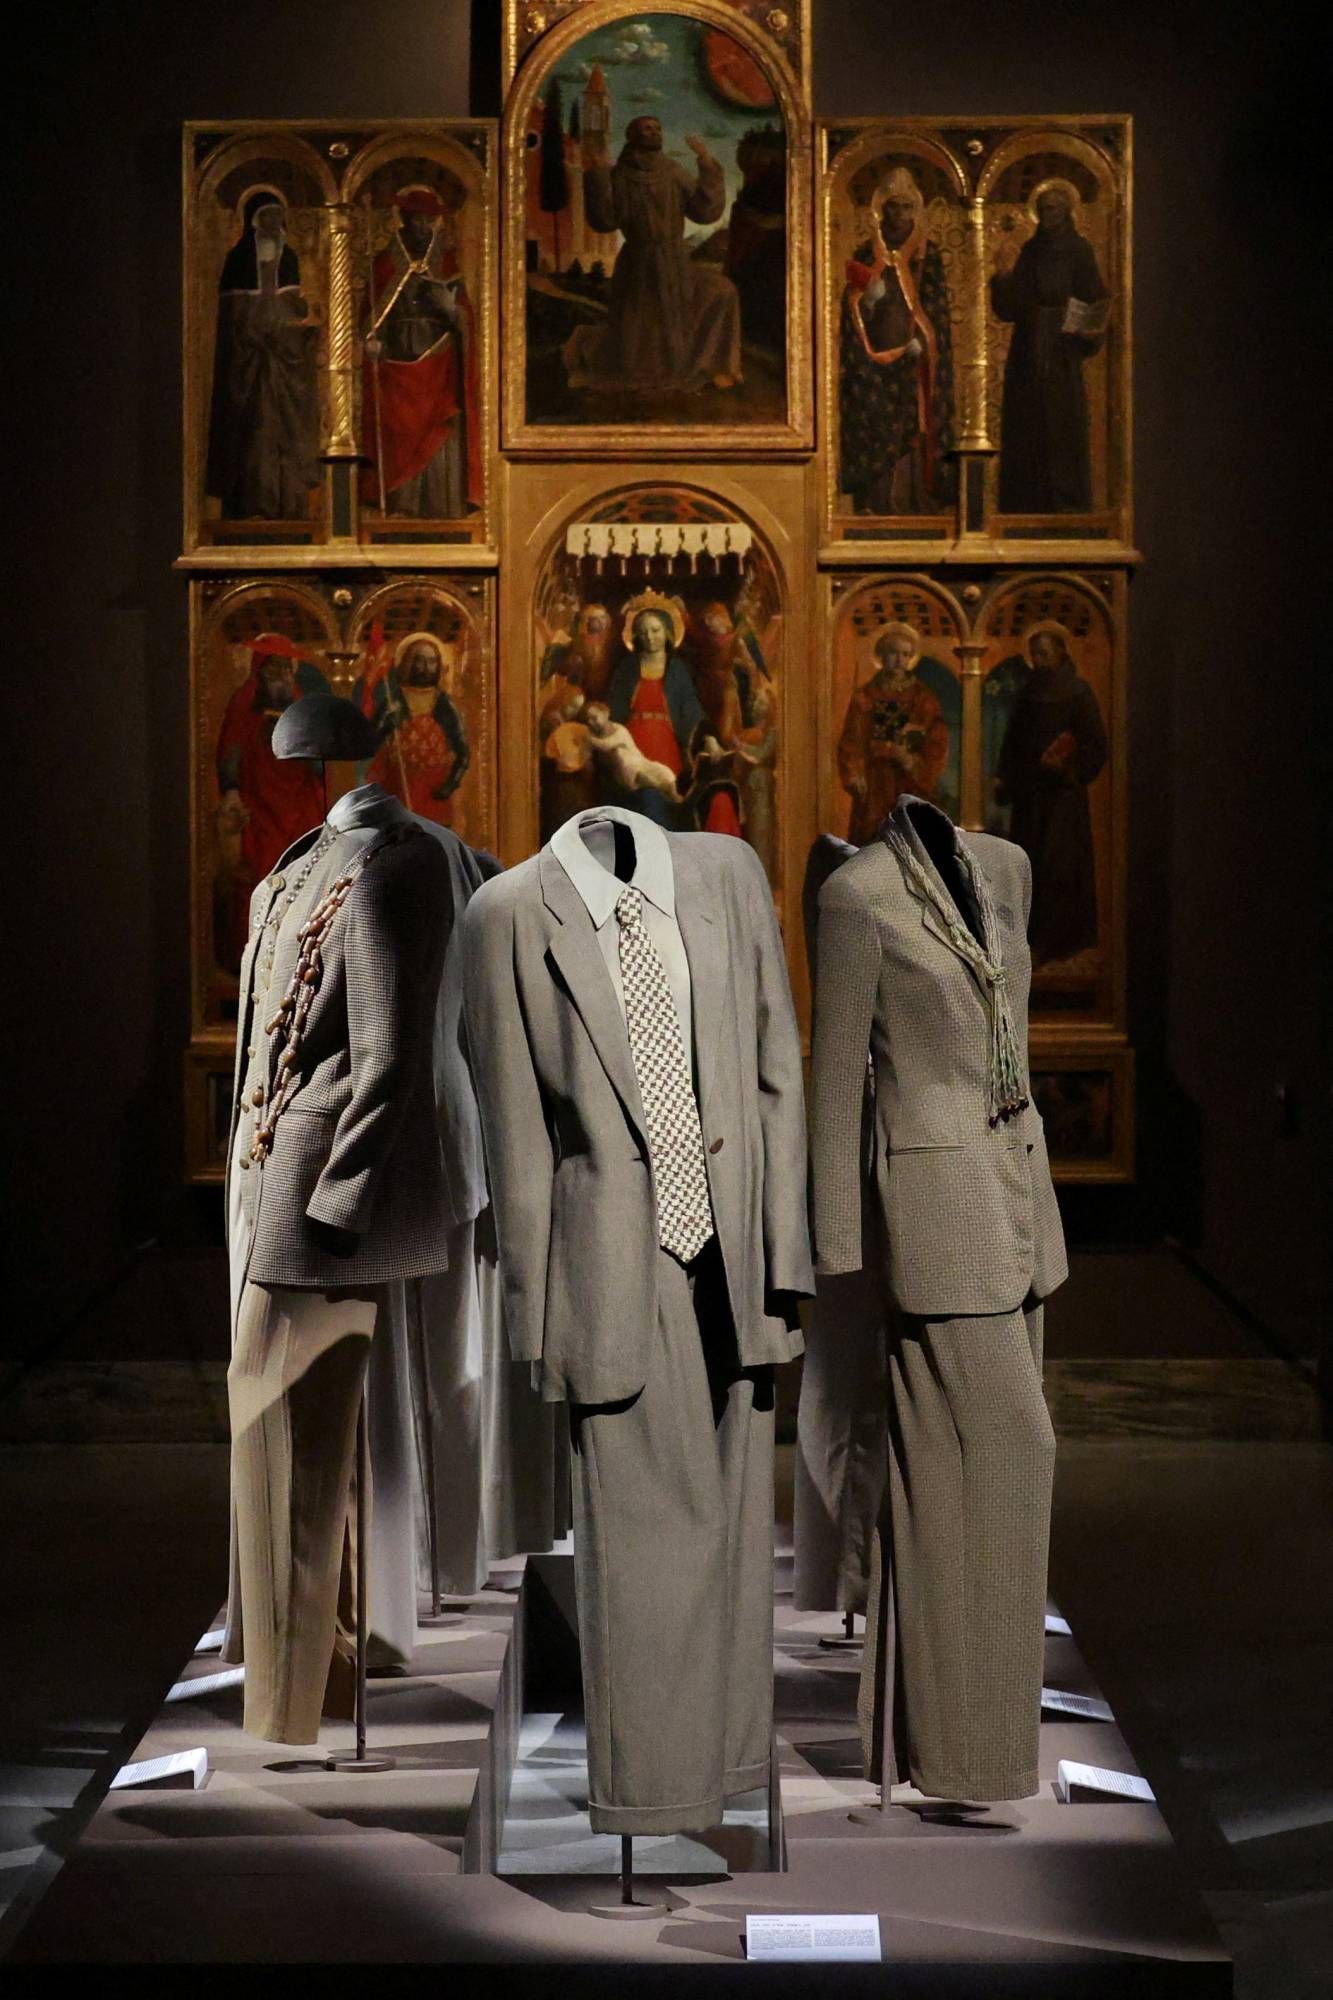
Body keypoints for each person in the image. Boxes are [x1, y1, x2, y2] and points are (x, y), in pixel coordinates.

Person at [564, 115, 742, 395]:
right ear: (633, 136)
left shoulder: (673, 171)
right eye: (647, 128)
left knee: (723, 292)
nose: (655, 132)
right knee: (640, 334)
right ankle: (615, 357)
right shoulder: (620, 175)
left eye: (658, 128)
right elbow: (604, 220)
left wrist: (706, 162)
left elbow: (704, 211)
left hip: (675, 261)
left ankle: (714, 364)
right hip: (637, 264)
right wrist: (598, 173)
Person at [839, 167, 955, 515]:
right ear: (882, 209)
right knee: (877, 424)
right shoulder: (866, 253)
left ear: (914, 210)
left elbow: (936, 308)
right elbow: (851, 308)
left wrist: (923, 341)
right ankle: (876, 504)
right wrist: (868, 300)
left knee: (915, 425)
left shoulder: (926, 255)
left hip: (915, 356)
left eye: (906, 207)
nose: (899, 215)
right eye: (893, 207)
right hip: (874, 363)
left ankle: (915, 504)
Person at [361, 185, 482, 519]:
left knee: (440, 433)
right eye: (417, 219)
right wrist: (371, 340)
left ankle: (441, 507)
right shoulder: (385, 263)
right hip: (396, 363)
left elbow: (465, 318)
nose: (424, 227)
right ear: (403, 219)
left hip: (439, 363)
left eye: (429, 220)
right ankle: (401, 505)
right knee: (399, 436)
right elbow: (369, 315)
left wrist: (450, 309)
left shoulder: (446, 262)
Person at [991, 181, 1110, 514]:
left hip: (1062, 350)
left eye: (1054, 209)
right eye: (1043, 209)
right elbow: (1009, 308)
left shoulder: (1079, 250)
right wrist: (1003, 277)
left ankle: (1066, 503)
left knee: (1061, 424)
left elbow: (1094, 298)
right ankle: (1026, 505)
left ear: (1067, 211)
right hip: (1028, 349)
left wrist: (1086, 329)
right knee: (1027, 423)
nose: (1048, 215)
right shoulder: (1030, 251)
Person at [214, 632, 329, 971]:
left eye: (285, 668)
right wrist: (232, 790)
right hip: (259, 808)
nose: (281, 675)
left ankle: (298, 961)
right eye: (273, 668)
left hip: (299, 807)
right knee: (258, 876)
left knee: (303, 878)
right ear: (259, 670)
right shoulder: (245, 703)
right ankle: (252, 962)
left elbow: (317, 761)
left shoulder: (300, 704)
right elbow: (231, 751)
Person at [995, 620, 1108, 963]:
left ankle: (1063, 941)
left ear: (1060, 653)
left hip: (1063, 800)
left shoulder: (1079, 693)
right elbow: (1013, 743)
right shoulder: (1027, 694)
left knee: (1060, 865)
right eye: (1034, 654)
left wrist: (1067, 766)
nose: (1038, 660)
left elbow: (1095, 745)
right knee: (1029, 865)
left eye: (1044, 653)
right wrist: (1007, 778)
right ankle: (1031, 942)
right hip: (1030, 796)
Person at [206, 192, 321, 521]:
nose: (274, 222)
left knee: (287, 429)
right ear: (255, 221)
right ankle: (252, 505)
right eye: (267, 216)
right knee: (254, 432)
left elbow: (293, 305)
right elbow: (233, 314)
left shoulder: (290, 258)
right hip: (250, 365)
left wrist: (300, 326)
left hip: (283, 361)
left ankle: (290, 506)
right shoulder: (238, 260)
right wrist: (257, 332)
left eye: (278, 215)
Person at [837, 622, 951, 844]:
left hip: (909, 780)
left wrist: (911, 761)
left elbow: (937, 741)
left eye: (905, 654)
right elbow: (851, 740)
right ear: (882, 656)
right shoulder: (865, 696)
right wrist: (855, 773)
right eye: (893, 653)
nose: (899, 660)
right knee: (873, 837)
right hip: (875, 781)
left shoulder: (923, 698)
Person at [603, 601, 705, 827]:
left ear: (667, 632)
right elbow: (614, 709)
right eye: (643, 632)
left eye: (655, 630)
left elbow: (691, 711)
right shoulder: (628, 668)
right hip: (632, 746)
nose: (649, 637)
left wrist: (707, 737)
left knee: (661, 795)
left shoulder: (677, 669)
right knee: (643, 796)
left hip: (665, 748)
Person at [358, 630, 470, 827]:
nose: (426, 667)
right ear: (409, 662)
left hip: (432, 788)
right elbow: (368, 744)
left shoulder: (443, 704)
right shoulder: (394, 699)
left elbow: (463, 751)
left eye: (432, 661)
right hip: (399, 783)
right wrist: (386, 725)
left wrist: (450, 783)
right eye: (420, 660)